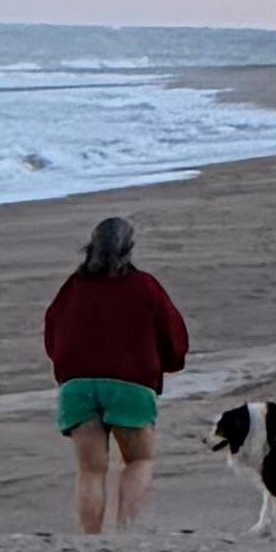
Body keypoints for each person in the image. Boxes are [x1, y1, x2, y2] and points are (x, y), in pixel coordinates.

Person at [43, 210, 189, 533]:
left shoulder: (73, 287)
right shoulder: (144, 287)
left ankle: (91, 539)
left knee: (91, 470)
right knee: (139, 461)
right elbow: (173, 336)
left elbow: (53, 331)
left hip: (77, 385)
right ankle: (126, 532)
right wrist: (168, 362)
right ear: (128, 249)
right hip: (129, 384)